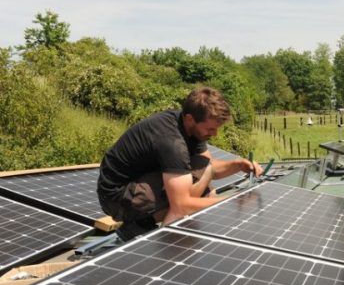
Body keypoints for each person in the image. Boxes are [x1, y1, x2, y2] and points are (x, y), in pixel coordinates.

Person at [97, 86, 262, 240]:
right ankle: (150, 232)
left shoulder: (189, 126)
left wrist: (239, 165)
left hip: (136, 183)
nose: (215, 134)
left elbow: (210, 168)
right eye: (210, 129)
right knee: (188, 201)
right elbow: (181, 205)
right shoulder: (172, 141)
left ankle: (145, 221)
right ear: (190, 119)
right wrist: (229, 202)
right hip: (117, 197)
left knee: (204, 181)